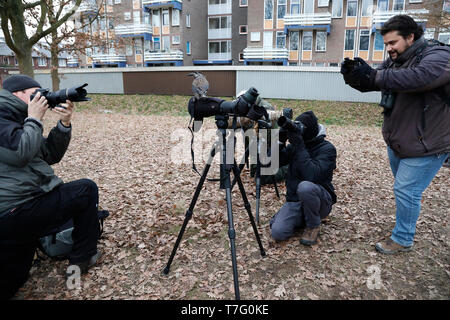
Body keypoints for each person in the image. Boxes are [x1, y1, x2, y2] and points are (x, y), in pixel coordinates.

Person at [340, 15, 450, 254]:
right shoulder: (396, 59)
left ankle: (403, 238)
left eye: (393, 43)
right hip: (400, 141)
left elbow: (419, 77)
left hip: (427, 143)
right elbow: (377, 80)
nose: (388, 48)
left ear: (411, 37)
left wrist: (375, 76)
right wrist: (355, 75)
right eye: (386, 44)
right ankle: (404, 224)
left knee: (406, 190)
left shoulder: (438, 56)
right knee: (405, 190)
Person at [0, 75, 101, 299]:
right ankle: (82, 257)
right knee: (86, 190)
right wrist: (34, 119)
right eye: (36, 93)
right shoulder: (3, 118)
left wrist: (64, 125)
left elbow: (48, 154)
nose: (42, 98)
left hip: (23, 207)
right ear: (18, 94)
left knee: (15, 277)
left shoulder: (16, 117)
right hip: (15, 211)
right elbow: (20, 153)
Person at [270, 111, 337, 246]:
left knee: (305, 187)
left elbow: (312, 175)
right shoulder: (295, 145)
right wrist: (279, 141)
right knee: (278, 232)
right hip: (295, 200)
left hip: (321, 200)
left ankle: (313, 225)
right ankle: (304, 217)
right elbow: (269, 164)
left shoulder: (327, 149)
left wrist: (300, 146)